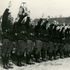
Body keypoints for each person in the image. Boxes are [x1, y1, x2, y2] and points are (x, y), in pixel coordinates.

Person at [1, 1, 14, 69]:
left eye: (10, 15)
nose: (10, 16)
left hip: (11, 39)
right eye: (9, 15)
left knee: (8, 52)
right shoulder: (4, 22)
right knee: (4, 51)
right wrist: (8, 8)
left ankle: (7, 63)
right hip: (6, 38)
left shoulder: (11, 24)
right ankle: (4, 64)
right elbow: (4, 16)